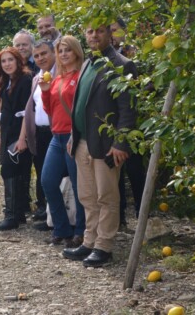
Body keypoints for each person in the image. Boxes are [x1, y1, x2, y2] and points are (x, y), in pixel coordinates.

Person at [62, 24, 138, 267]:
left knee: (107, 196)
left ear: (110, 34)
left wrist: (120, 143)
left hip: (107, 145)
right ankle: (89, 242)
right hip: (83, 142)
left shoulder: (122, 65)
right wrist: (74, 135)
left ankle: (104, 247)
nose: (94, 35)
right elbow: (80, 105)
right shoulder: (88, 62)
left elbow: (128, 109)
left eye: (100, 31)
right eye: (90, 31)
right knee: (87, 196)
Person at [38, 36, 86, 247]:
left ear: (76, 51)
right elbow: (50, 110)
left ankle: (82, 231)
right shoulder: (57, 78)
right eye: (60, 51)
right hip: (56, 137)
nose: (64, 54)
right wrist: (46, 92)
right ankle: (61, 228)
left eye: (67, 50)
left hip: (73, 136)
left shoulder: (80, 76)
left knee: (78, 186)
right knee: (47, 181)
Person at [0, 47, 33, 231]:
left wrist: (23, 138)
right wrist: (0, 136)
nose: (7, 64)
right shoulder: (6, 80)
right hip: (8, 131)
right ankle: (19, 213)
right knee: (14, 170)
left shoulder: (25, 79)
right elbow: (4, 112)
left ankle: (11, 216)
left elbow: (26, 112)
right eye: (3, 61)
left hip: (19, 132)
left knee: (11, 169)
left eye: (10, 60)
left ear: (18, 61)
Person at [18, 38, 56, 224]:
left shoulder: (61, 75)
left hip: (56, 132)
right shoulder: (36, 78)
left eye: (44, 54)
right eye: (37, 55)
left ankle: (56, 217)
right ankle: (45, 212)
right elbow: (31, 108)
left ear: (53, 53)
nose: (40, 58)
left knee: (55, 177)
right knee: (42, 173)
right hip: (39, 133)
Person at [110, 18, 144, 224]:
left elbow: (150, 85)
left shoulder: (136, 55)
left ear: (124, 31)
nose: (112, 35)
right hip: (111, 123)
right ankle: (119, 215)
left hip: (135, 125)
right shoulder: (107, 57)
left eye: (114, 30)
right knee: (115, 172)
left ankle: (142, 215)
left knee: (135, 170)